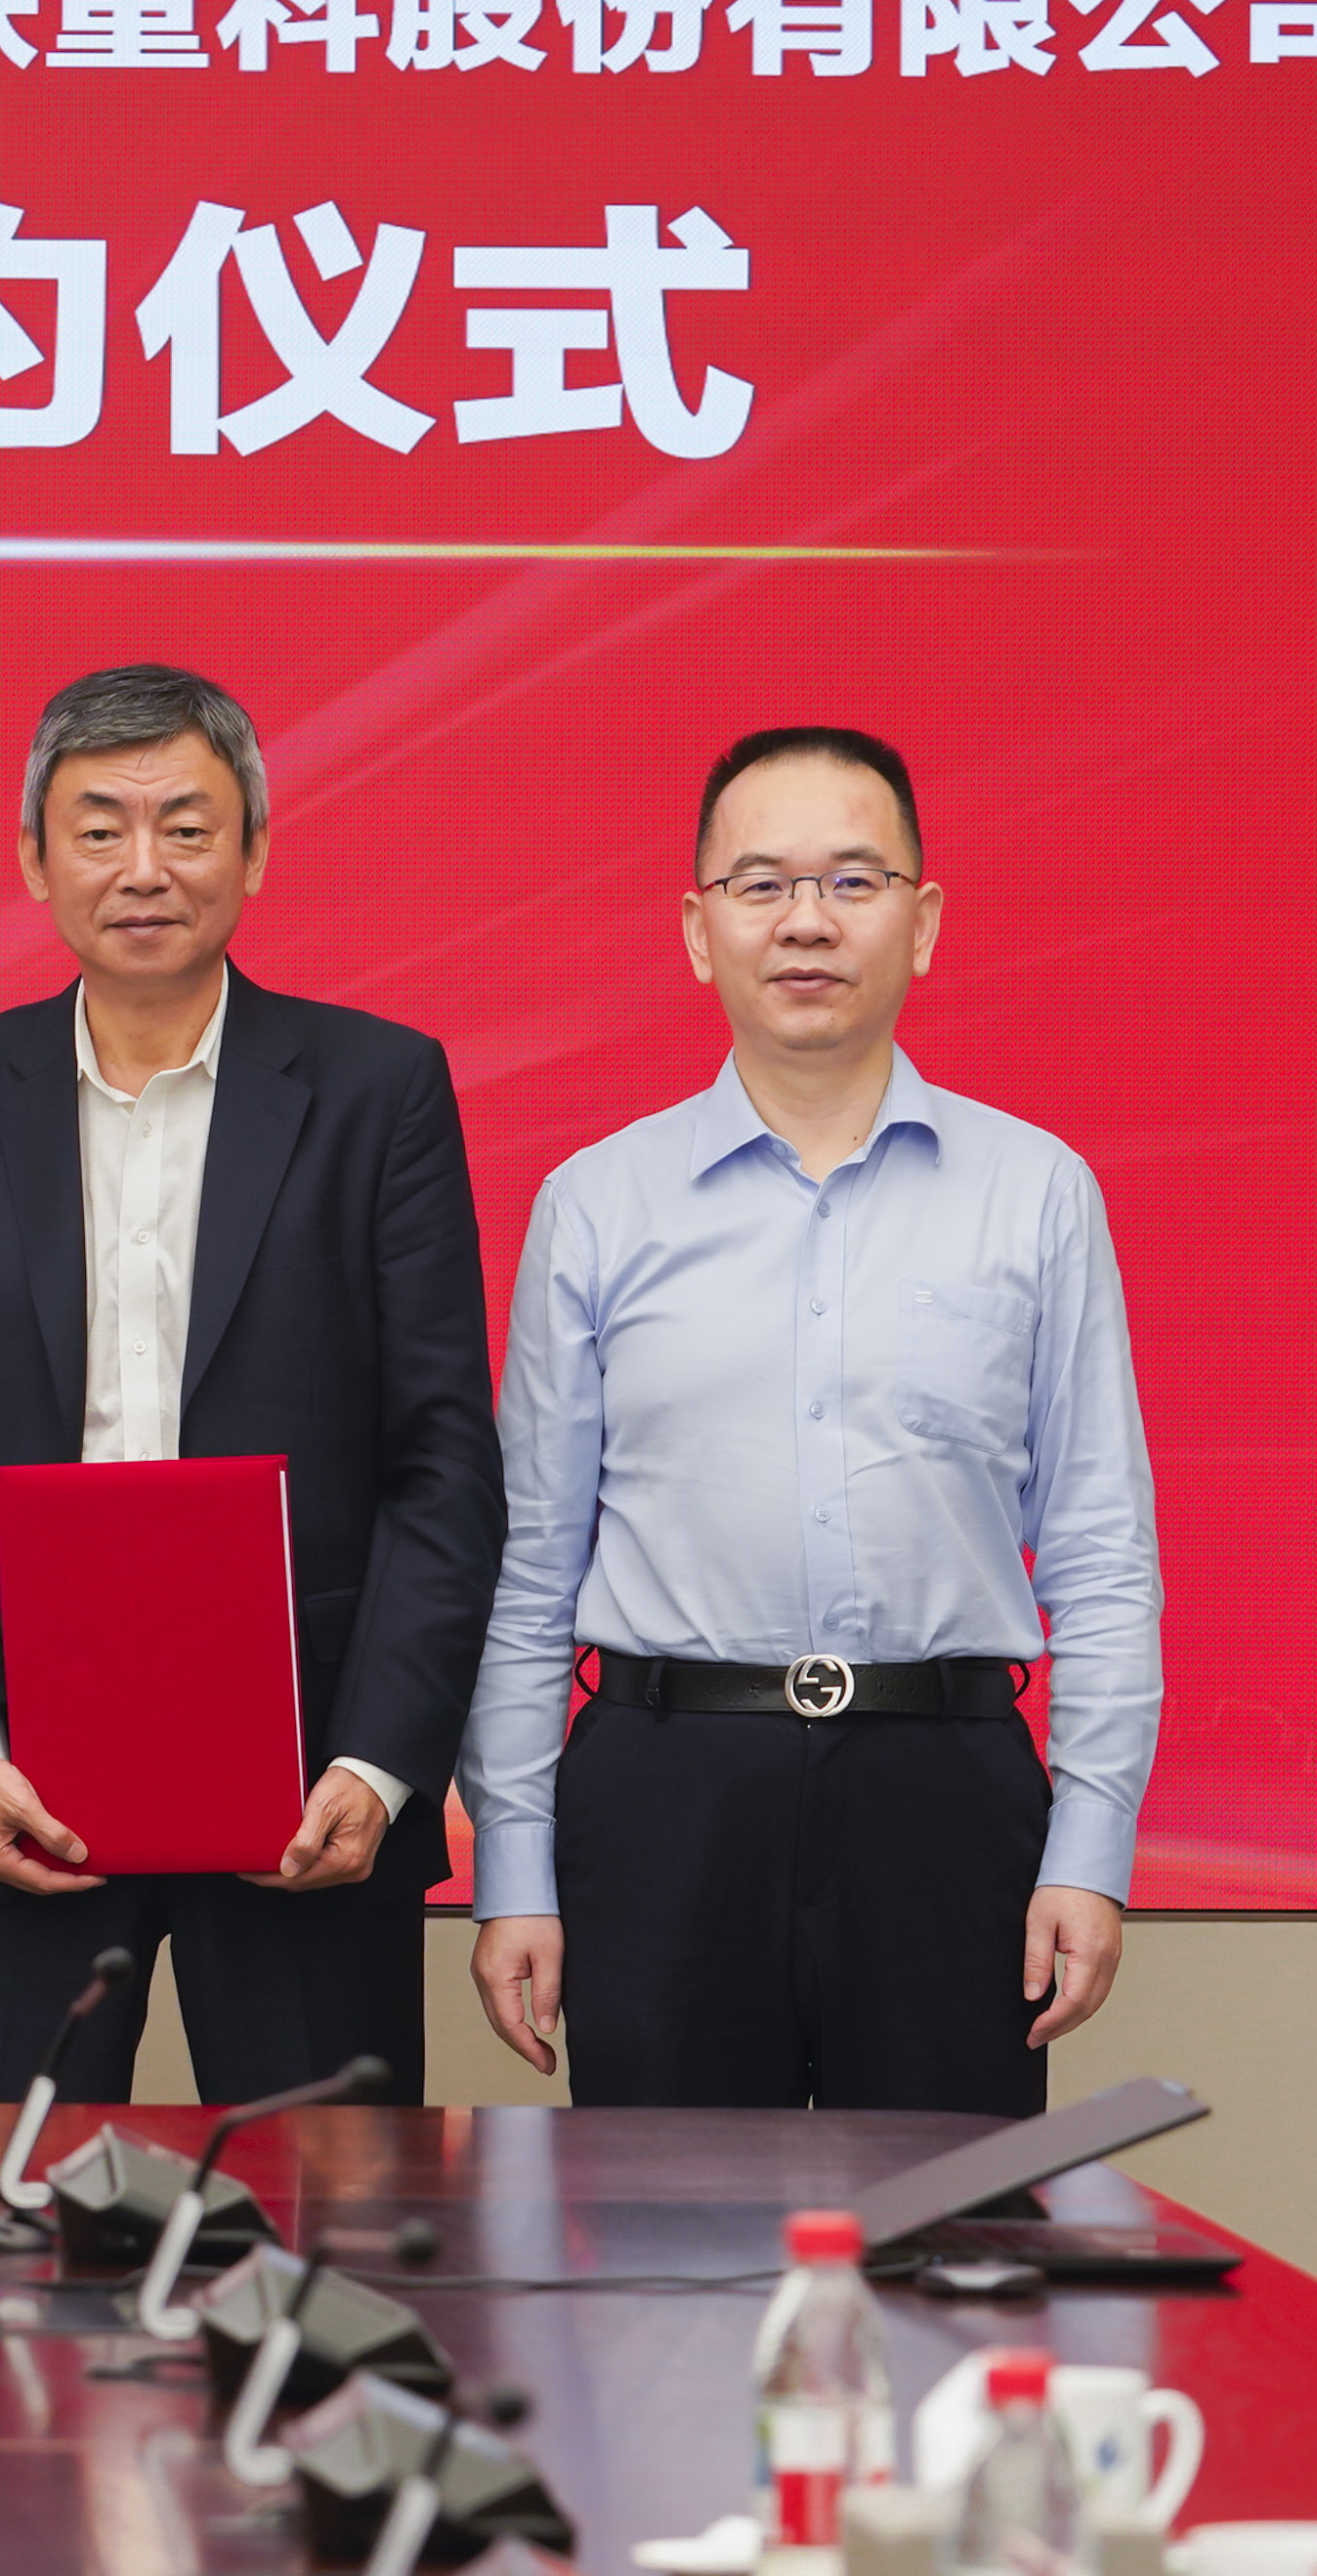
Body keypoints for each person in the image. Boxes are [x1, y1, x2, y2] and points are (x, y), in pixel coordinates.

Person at [461, 729, 1157, 2111]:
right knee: (666, 2233)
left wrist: (1090, 1847)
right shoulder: (597, 1204)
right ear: (698, 930)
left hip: (946, 1793)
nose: (807, 922)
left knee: (948, 2220)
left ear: (923, 921)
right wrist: (515, 1864)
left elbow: (1100, 1550)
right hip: (665, 1794)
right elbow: (530, 1565)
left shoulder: (1037, 1193)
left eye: (853, 880)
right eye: (762, 884)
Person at [0, 665, 504, 2104]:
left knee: (325, 2214)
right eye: (99, 829)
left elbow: (444, 1465)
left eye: (187, 827)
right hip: (25, 1789)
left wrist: (377, 1765)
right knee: (17, 2208)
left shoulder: (378, 1090)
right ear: (37, 862)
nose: (143, 868)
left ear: (254, 853)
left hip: (309, 1797)